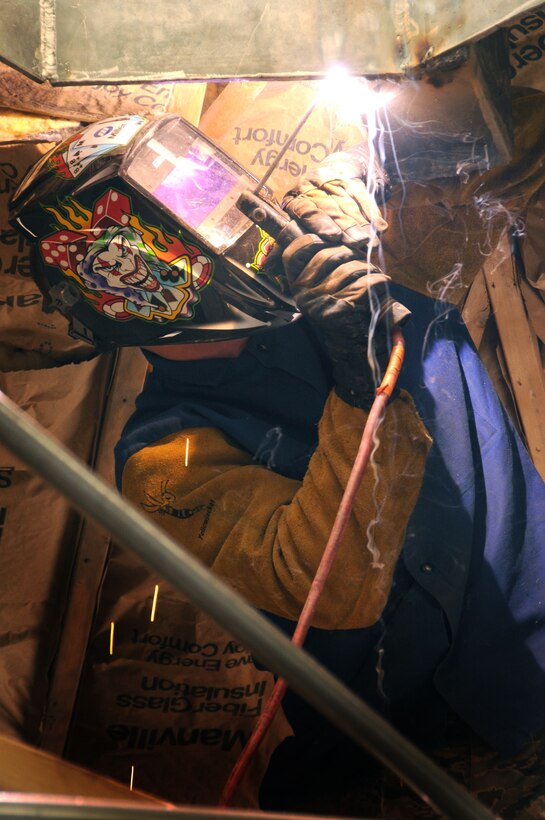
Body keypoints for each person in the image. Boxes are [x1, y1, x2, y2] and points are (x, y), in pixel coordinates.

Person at [10, 102, 545, 816]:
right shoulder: (165, 458)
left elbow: (487, 150)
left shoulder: (341, 274)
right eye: (207, 214)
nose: (241, 220)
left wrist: (368, 167)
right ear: (145, 271)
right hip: (415, 766)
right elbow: (325, 586)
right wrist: (356, 381)